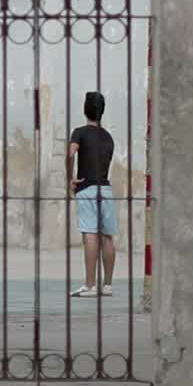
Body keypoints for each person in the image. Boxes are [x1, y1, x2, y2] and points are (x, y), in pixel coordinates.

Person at [67, 91, 117, 298]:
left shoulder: (79, 132)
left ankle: (89, 285)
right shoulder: (108, 137)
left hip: (87, 188)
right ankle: (107, 285)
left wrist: (70, 177)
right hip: (106, 189)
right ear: (102, 111)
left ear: (84, 110)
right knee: (107, 236)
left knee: (90, 234)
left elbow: (71, 153)